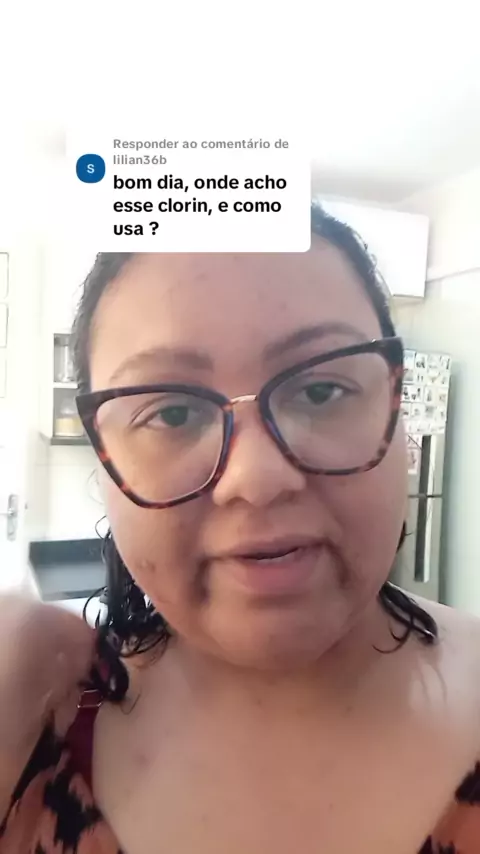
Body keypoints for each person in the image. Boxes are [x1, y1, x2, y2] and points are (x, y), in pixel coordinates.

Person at [1, 204, 480, 854]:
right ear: (103, 459)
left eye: (321, 391)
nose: (257, 478)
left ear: (399, 414)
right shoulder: (23, 737)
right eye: (173, 412)